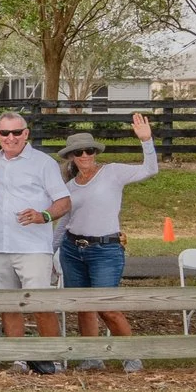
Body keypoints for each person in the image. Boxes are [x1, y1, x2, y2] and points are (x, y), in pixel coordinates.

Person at [60, 113, 158, 365]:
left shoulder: (112, 172)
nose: (84, 156)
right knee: (83, 306)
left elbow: (150, 169)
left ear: (95, 152)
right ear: (71, 156)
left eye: (89, 151)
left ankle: (131, 357)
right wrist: (50, 252)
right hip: (72, 248)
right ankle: (92, 357)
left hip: (105, 248)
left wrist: (146, 141)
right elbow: (62, 222)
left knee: (107, 307)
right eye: (78, 152)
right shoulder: (69, 186)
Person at [0, 113, 72, 370]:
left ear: (26, 133)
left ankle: (52, 358)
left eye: (16, 132)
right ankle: (19, 359)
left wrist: (42, 215)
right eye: (4, 133)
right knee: (9, 305)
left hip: (33, 248)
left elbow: (64, 202)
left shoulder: (43, 162)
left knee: (40, 304)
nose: (10, 138)